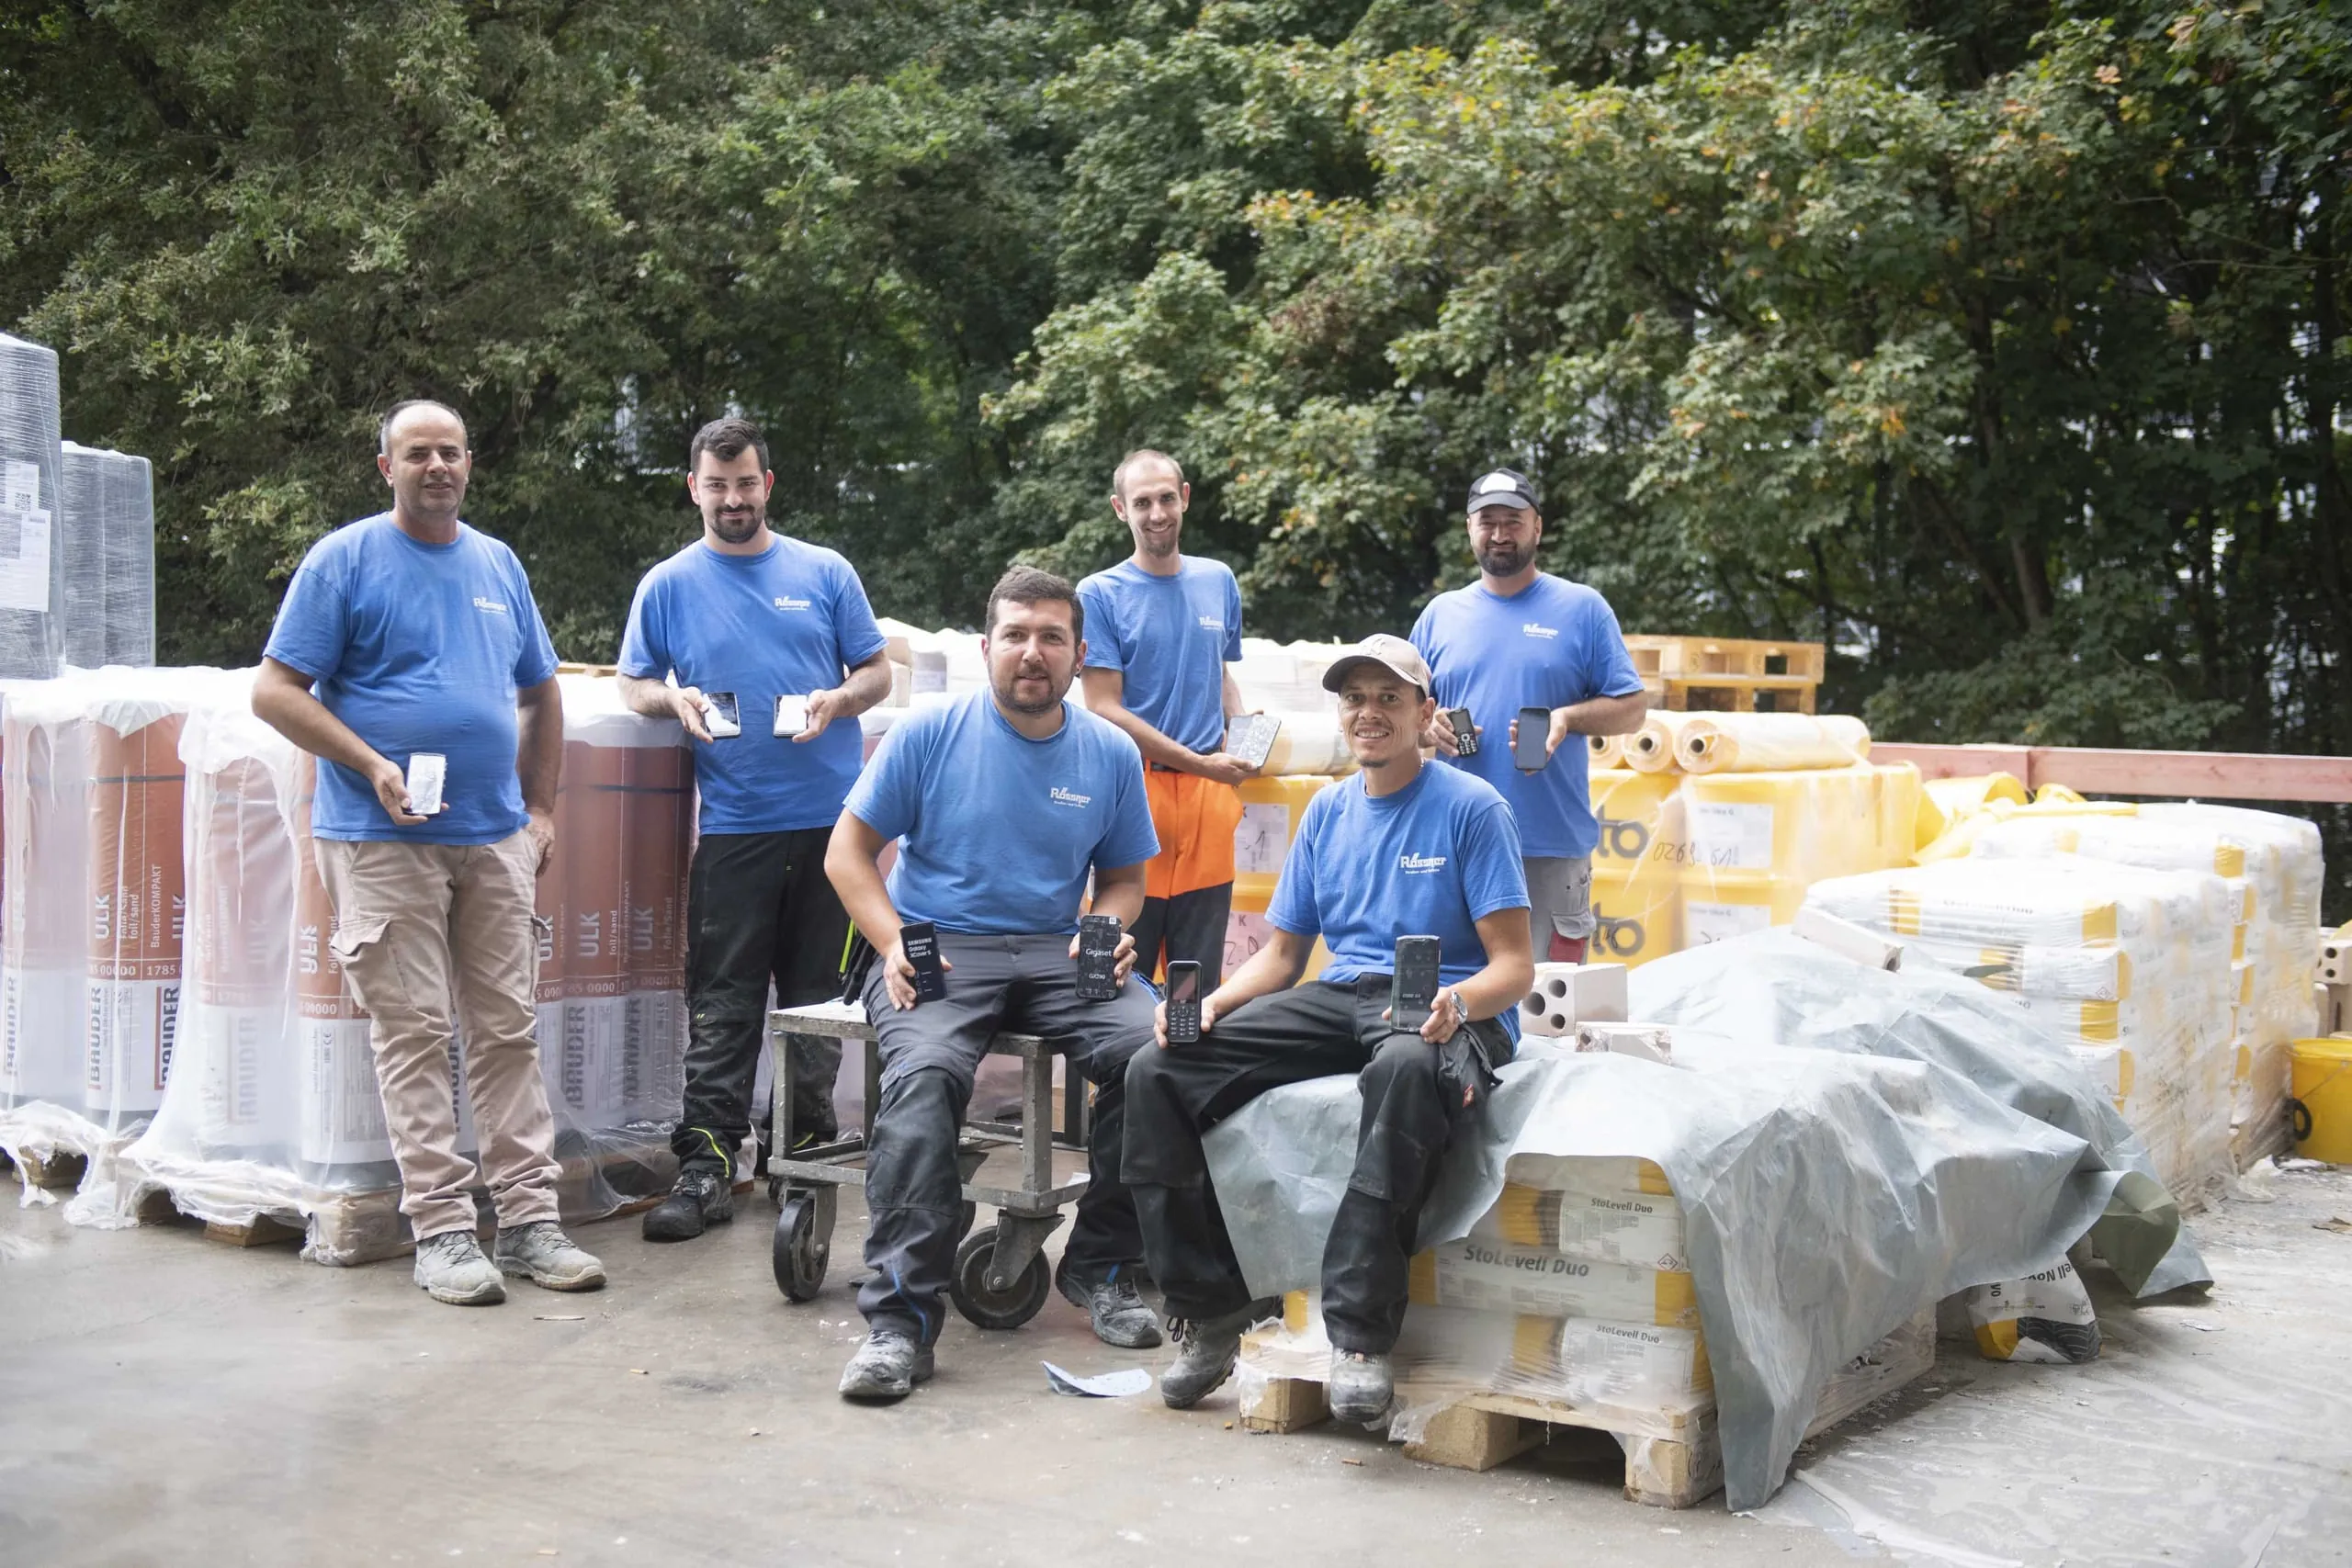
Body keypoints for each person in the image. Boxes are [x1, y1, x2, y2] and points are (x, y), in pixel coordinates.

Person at [1124, 634, 1533, 1420]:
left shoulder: (1475, 810)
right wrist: (1211, 1006)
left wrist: (1460, 1006)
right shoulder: (1328, 813)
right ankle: (1209, 1310)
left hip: (1448, 1004)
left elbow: (1514, 966)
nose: (1370, 713)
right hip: (1347, 992)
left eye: (1389, 698)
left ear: (1425, 713)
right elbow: (1282, 956)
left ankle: (1358, 1337)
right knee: (1157, 1070)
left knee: (1406, 1070)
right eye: (1355, 699)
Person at [252, 399, 604, 1306]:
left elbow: (542, 692)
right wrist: (369, 762)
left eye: (449, 451)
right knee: (413, 1036)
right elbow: (275, 691)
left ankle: (528, 1223)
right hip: (381, 840)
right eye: (417, 454)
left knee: (506, 1032)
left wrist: (538, 807)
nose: (436, 466)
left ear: (469, 463)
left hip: (492, 837)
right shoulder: (345, 561)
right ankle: (444, 1232)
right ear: (387, 469)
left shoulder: (496, 564)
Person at [825, 566, 1167, 1400]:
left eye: (1052, 637)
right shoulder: (928, 733)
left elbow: (1126, 880)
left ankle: (1105, 1268)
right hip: (941, 944)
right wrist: (893, 940)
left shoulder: (1110, 751)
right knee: (926, 1079)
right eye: (1016, 635)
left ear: (1080, 655)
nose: (1032, 653)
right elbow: (848, 854)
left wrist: (1110, 931)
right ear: (987, 648)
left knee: (1158, 1058)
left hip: (1058, 947)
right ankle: (900, 1323)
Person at [616, 417, 892, 1242]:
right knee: (724, 1006)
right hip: (734, 830)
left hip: (832, 836)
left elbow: (876, 670)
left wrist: (837, 700)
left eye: (745, 484)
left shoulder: (824, 571)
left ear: (768, 485)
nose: (732, 500)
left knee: (818, 1008)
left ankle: (799, 1161)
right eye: (716, 484)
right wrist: (674, 699)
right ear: (693, 487)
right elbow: (633, 683)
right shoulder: (667, 584)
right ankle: (705, 1167)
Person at [1410, 466, 1647, 963]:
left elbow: (1632, 710)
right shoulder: (1440, 615)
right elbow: (1402, 714)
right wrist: (1426, 727)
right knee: (1451, 994)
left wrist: (1567, 718)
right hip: (1455, 838)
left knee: (1547, 1005)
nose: (1499, 534)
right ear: (1469, 529)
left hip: (1549, 844)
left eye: (1513, 521)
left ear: (1537, 527)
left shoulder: (1583, 609)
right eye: (1487, 521)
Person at [1077, 450, 1255, 987]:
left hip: (1208, 804)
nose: (1156, 513)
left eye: (1165, 498)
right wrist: (1203, 763)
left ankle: (1192, 1069)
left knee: (1195, 976)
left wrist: (1245, 728)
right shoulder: (1100, 593)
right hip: (1135, 795)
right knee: (1115, 970)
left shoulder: (1218, 580)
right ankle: (1116, 1072)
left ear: (1185, 497)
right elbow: (1103, 708)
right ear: (1119, 509)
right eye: (1141, 502)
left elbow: (1219, 672)